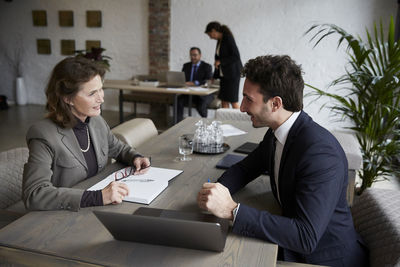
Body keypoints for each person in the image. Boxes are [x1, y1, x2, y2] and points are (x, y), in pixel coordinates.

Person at [197, 55, 369, 267]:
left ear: (276, 103)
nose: (241, 107)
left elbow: (306, 237)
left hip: (321, 258)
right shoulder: (277, 133)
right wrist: (216, 191)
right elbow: (244, 169)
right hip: (291, 241)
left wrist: (232, 210)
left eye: (248, 99)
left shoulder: (319, 153)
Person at [22, 56, 151, 211]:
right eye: (92, 94)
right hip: (64, 215)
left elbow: (117, 147)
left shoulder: (95, 121)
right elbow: (34, 194)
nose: (101, 99)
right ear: (67, 98)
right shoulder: (43, 134)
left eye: (101, 89)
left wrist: (135, 157)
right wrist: (97, 197)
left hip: (97, 207)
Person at [205, 21, 242, 109]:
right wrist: (214, 76)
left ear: (214, 31)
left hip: (232, 75)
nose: (210, 37)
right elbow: (218, 60)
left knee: (233, 101)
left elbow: (236, 56)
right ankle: (225, 121)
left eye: (209, 34)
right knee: (223, 100)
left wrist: (221, 61)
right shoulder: (219, 41)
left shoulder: (228, 38)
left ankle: (241, 120)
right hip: (224, 76)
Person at [177, 47, 213, 122]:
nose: (193, 57)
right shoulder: (186, 66)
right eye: (191, 55)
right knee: (179, 101)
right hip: (188, 93)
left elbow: (208, 80)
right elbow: (182, 78)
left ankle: (206, 123)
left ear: (200, 55)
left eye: (195, 55)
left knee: (201, 105)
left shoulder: (207, 66)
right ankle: (177, 123)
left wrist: (194, 83)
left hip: (203, 94)